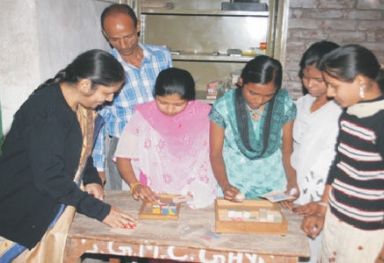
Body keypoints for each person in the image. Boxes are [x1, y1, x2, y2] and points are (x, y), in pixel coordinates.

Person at [0, 49, 137, 263]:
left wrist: (90, 178)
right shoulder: (48, 112)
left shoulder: (74, 104)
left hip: (41, 200)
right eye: (107, 93)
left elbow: (81, 148)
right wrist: (102, 212)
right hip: (17, 210)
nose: (110, 100)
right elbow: (49, 178)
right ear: (84, 85)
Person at [301, 44, 384, 263]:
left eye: (334, 86)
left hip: (368, 238)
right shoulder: (351, 113)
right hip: (336, 225)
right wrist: (322, 208)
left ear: (360, 81)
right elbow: (339, 164)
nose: (329, 93)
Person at [93, 3, 172, 190]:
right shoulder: (105, 69)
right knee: (128, 201)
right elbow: (98, 120)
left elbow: (173, 96)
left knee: (162, 197)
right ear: (106, 36)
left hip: (160, 143)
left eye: (128, 36)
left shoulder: (162, 56)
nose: (123, 45)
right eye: (115, 39)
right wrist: (97, 166)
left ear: (138, 27)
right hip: (123, 151)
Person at [115, 68, 217, 208]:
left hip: (195, 193)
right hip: (153, 193)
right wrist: (136, 185)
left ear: (190, 99)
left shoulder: (206, 116)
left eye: (178, 105)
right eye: (162, 102)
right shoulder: (144, 117)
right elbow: (122, 156)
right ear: (155, 96)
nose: (169, 110)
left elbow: (217, 154)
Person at [209, 55, 298, 201]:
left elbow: (287, 150)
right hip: (234, 184)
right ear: (241, 82)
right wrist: (225, 185)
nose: (259, 100)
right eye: (253, 93)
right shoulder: (223, 106)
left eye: (268, 95)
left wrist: (292, 181)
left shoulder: (284, 105)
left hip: (274, 185)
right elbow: (215, 154)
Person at [291, 40, 340, 263]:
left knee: (318, 252)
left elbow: (341, 164)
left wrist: (323, 203)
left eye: (318, 80)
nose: (309, 84)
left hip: (325, 198)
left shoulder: (342, 110)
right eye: (305, 76)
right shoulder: (301, 104)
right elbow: (293, 150)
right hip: (297, 194)